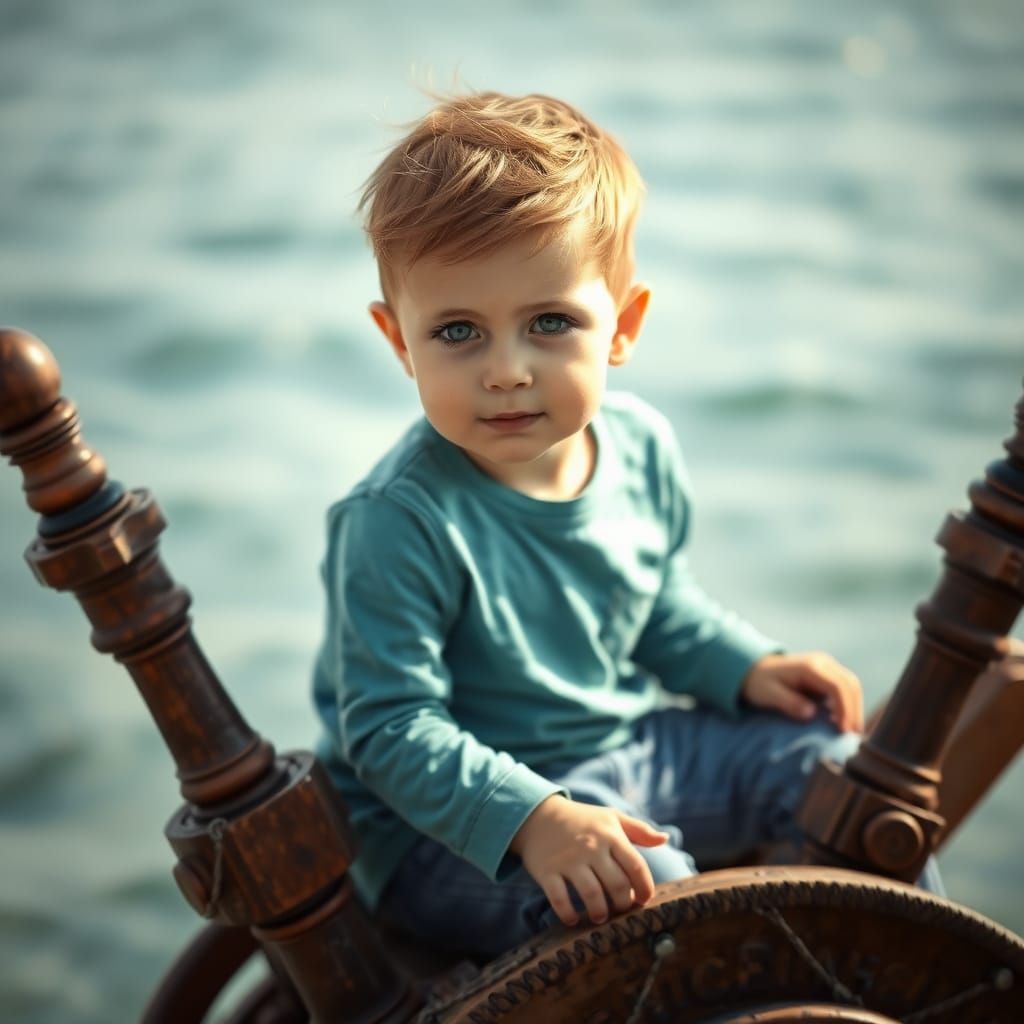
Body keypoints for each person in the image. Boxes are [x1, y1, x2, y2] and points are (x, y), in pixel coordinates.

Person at [311, 91, 933, 959]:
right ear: (398, 342)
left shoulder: (640, 449)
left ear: (623, 327)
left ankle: (916, 984)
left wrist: (747, 668)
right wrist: (535, 819)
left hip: (626, 749)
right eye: (458, 331)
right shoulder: (395, 522)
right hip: (448, 835)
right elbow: (389, 732)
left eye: (550, 322)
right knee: (653, 893)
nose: (506, 370)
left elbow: (654, 607)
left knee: (844, 778)